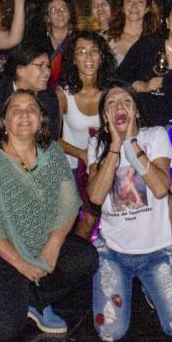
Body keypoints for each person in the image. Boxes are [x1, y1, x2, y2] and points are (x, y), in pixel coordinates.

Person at [0, 90, 97, 342]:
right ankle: (17, 292)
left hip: (41, 243)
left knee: (86, 258)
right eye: (15, 109)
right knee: (5, 332)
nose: (24, 114)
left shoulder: (52, 153)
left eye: (31, 108)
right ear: (4, 122)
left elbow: (68, 205)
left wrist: (53, 246)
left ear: (41, 118)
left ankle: (34, 299)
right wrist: (21, 264)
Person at [87, 84, 172, 341]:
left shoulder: (155, 135)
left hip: (156, 253)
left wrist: (131, 145)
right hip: (113, 253)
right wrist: (114, 146)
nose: (119, 107)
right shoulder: (97, 144)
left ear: (136, 111)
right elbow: (95, 196)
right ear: (105, 117)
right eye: (111, 104)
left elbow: (160, 189)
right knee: (110, 332)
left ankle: (153, 288)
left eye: (126, 101)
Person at [57, 31, 118, 240]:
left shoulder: (113, 92)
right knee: (84, 221)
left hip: (108, 163)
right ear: (73, 59)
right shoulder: (63, 94)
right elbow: (50, 137)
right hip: (73, 167)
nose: (88, 57)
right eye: (81, 52)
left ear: (102, 56)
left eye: (94, 51)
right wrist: (83, 154)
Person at [0, 44, 62, 163]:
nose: (47, 71)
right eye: (40, 66)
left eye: (48, 66)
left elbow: (50, 137)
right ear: (20, 70)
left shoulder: (48, 96)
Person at [105, 0, 160, 66]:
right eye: (129, 1)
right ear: (122, 8)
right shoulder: (106, 39)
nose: (134, 6)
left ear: (147, 9)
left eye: (140, 1)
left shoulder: (156, 42)